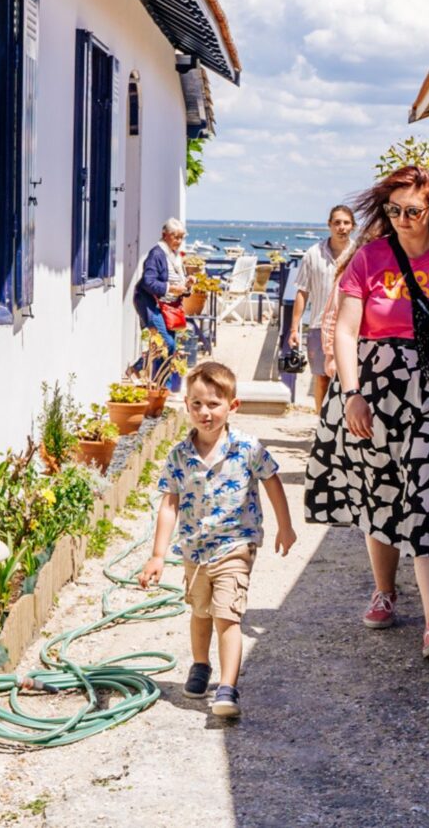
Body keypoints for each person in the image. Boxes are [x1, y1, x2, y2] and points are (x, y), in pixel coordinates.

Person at [305, 165, 429, 662]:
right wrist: (351, 394)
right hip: (377, 390)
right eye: (393, 210)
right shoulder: (370, 257)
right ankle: (385, 590)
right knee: (382, 492)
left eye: (411, 210)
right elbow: (346, 331)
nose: (402, 219)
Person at [138, 360, 297, 718]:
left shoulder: (247, 448)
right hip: (195, 550)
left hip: (236, 546)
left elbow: (272, 481)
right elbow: (169, 503)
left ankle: (227, 687)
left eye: (213, 404)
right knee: (200, 611)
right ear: (186, 405)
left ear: (232, 405)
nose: (204, 412)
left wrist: (285, 526)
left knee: (227, 614)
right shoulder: (179, 456)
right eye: (196, 404)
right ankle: (200, 665)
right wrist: (158, 555)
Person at [288, 205, 356, 411]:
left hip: (352, 328)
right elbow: (302, 292)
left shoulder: (359, 253)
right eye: (337, 222)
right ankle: (320, 423)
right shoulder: (313, 254)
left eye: (346, 223)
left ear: (352, 226)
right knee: (322, 379)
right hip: (319, 325)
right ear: (329, 225)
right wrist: (294, 328)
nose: (342, 227)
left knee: (350, 380)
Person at [131, 218, 189, 389]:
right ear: (165, 235)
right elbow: (148, 281)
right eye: (175, 237)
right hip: (150, 303)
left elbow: (177, 282)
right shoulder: (157, 254)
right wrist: (171, 288)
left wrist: (187, 284)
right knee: (167, 343)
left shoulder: (174, 256)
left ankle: (160, 385)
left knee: (167, 345)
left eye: (181, 237)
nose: (179, 241)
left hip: (168, 306)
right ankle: (159, 384)